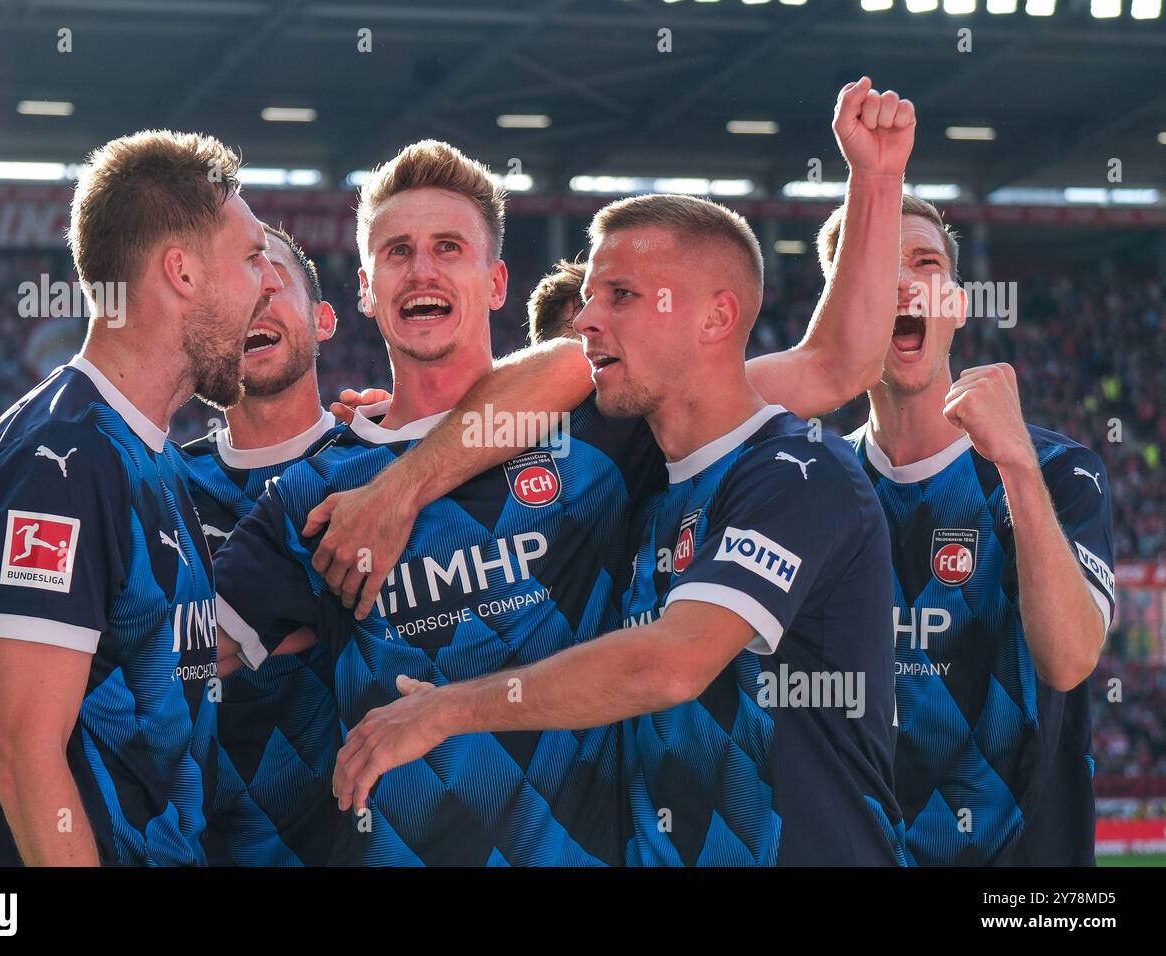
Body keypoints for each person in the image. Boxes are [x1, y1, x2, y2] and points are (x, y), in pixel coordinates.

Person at [223, 78, 915, 865]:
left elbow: (836, 366)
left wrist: (875, 176)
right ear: (366, 290)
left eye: (449, 248)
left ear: (495, 283)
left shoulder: (610, 428)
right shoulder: (317, 491)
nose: (422, 272)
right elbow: (153, 661)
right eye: (397, 252)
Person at [0, 129, 281, 866]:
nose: (271, 281)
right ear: (181, 272)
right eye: (253, 258)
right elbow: (29, 765)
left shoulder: (146, 456)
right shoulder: (60, 459)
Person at [815, 195, 1115, 865]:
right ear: (837, 307)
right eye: (871, 266)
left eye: (925, 262)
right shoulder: (811, 486)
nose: (901, 280)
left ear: (955, 301)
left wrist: (1015, 466)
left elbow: (1068, 659)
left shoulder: (1061, 470)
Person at [178, 223, 343, 866]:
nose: (257, 302)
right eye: (236, 288)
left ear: (323, 319)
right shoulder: (159, 481)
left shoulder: (385, 466)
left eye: (275, 283)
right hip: (195, 847)